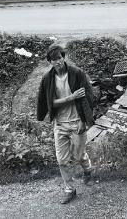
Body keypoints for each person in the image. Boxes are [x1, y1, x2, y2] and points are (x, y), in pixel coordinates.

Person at [37, 44, 95, 204]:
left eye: (60, 58)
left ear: (64, 58)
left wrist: (85, 121)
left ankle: (88, 169)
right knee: (62, 160)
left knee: (77, 155)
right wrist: (71, 97)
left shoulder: (77, 73)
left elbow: (88, 97)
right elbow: (50, 104)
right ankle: (70, 189)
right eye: (54, 60)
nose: (58, 62)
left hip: (77, 122)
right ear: (50, 62)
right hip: (60, 124)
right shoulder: (48, 79)